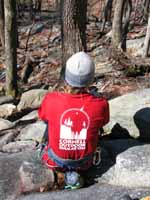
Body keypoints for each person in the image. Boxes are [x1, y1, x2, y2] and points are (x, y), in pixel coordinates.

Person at [38, 51, 109, 189]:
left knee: (50, 121)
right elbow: (103, 122)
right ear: (91, 79)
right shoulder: (101, 104)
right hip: (85, 162)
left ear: (66, 77)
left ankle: (60, 173)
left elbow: (43, 117)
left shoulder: (51, 99)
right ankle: (78, 174)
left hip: (54, 159)